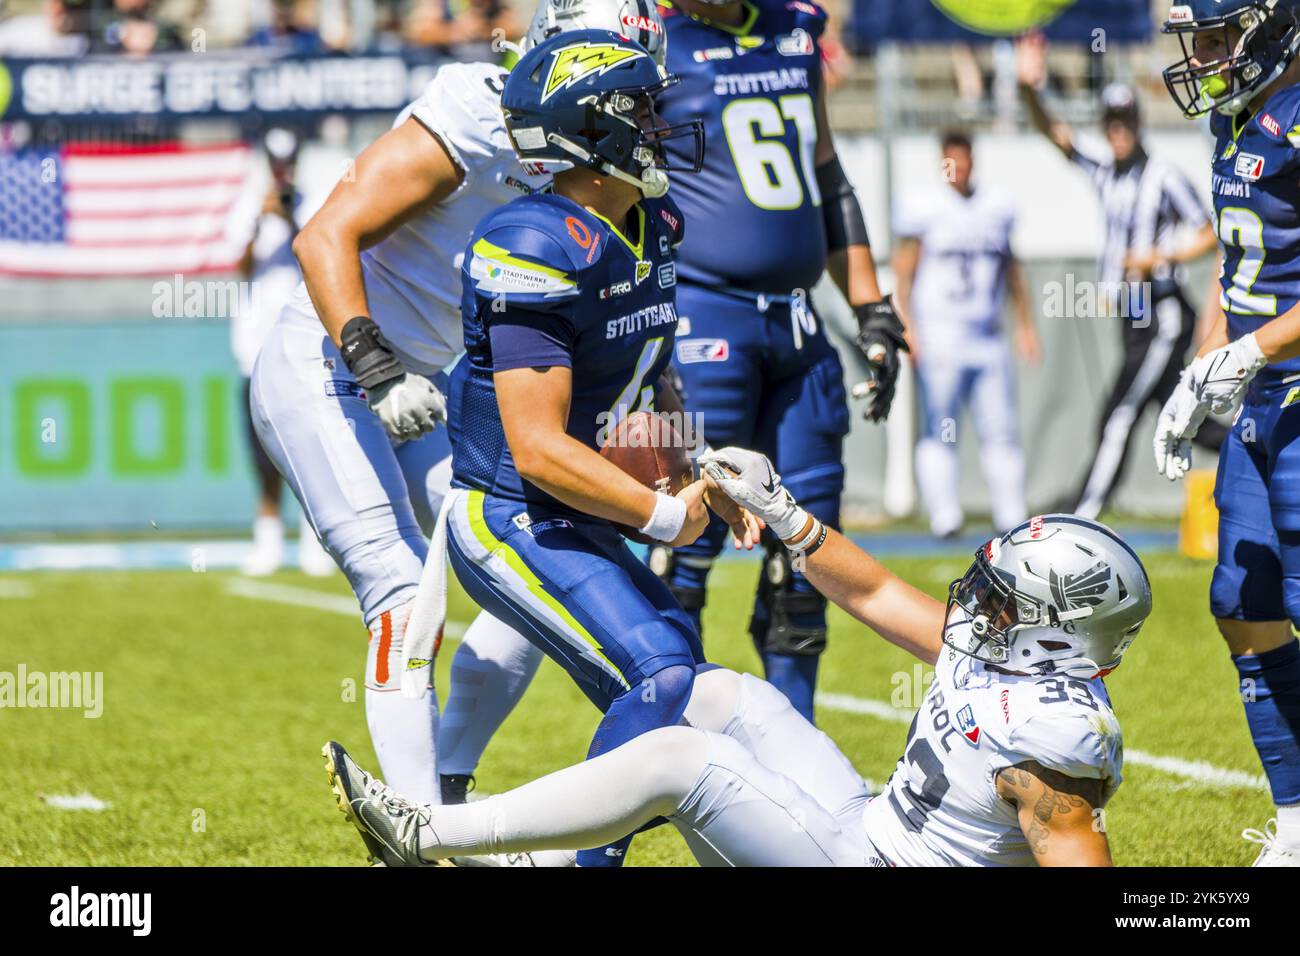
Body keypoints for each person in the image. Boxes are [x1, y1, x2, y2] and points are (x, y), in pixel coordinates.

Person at [324, 451, 1151, 867]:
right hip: (865, 828)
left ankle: (432, 832)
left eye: (1003, 599)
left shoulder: (1056, 739)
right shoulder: (1005, 653)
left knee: (688, 761)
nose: (976, 602)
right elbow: (872, 595)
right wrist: (784, 515)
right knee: (724, 697)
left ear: (1059, 632)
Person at [250, 0, 655, 828]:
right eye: (624, 82)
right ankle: (420, 830)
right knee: (400, 588)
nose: (642, 109)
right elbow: (324, 234)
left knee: (530, 560)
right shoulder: (480, 115)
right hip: (330, 362)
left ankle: (447, 788)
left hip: (426, 382)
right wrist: (376, 364)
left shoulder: (596, 161)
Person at [433, 27, 764, 869]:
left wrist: (696, 468)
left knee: (677, 686)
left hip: (573, 513)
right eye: (641, 111)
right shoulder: (535, 245)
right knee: (657, 677)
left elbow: (658, 372)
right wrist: (662, 516)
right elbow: (537, 450)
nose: (659, 125)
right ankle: (515, 850)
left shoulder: (652, 222)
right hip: (507, 512)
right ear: (590, 128)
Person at [648, 0, 909, 726]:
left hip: (797, 324)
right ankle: (671, 752)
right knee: (682, 552)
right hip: (701, 318)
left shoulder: (794, 31)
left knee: (806, 562)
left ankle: (799, 756)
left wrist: (870, 306)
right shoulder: (650, 37)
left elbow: (826, 175)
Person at [1151, 0, 1300, 867]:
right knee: (1242, 605)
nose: (1202, 57)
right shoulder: (1231, 115)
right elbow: (1234, 265)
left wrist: (1251, 347)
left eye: (1214, 38)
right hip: (1261, 398)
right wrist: (1200, 370)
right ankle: (1294, 821)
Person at [1017, 33, 1223, 520]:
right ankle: (1266, 453)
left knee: (1118, 413)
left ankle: (1083, 512)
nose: (1117, 131)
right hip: (1131, 318)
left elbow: (1209, 233)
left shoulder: (1164, 176)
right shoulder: (1107, 171)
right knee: (1192, 421)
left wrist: (1157, 256)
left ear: (1136, 122)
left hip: (1161, 315)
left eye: (1124, 121)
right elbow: (1056, 134)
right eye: (1111, 122)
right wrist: (1029, 87)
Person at [892, 130, 1040, 539]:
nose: (958, 171)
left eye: (964, 161)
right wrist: (908, 328)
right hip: (940, 336)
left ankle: (1011, 517)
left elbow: (1012, 270)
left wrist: (1025, 325)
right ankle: (945, 516)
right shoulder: (925, 206)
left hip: (987, 335)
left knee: (1000, 429)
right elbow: (905, 269)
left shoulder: (996, 206)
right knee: (941, 427)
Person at [231, 128, 333, 578]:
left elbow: (317, 256)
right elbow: (239, 266)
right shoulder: (246, 205)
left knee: (313, 448)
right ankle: (268, 537)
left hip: (304, 347)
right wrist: (259, 218)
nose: (281, 171)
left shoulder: (312, 203)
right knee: (262, 453)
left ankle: (315, 539)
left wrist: (290, 217)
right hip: (255, 346)